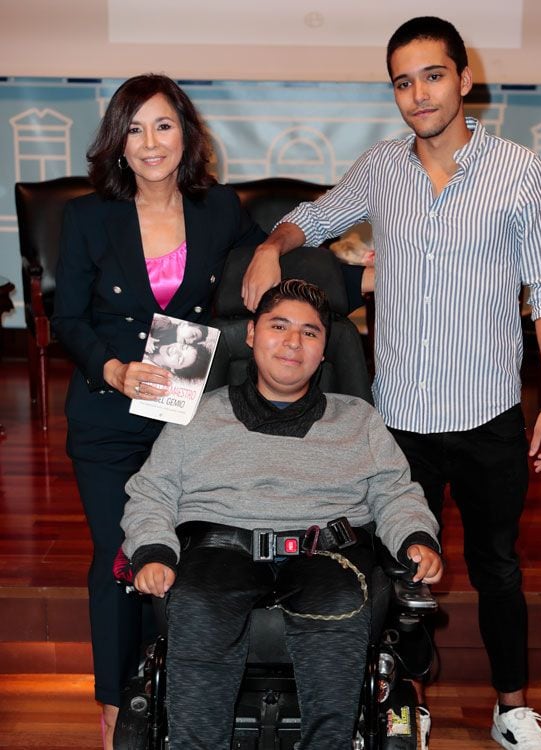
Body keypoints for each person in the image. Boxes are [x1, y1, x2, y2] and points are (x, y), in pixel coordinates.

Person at [240, 16, 541, 750]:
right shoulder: (383, 167)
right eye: (402, 81)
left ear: (464, 78)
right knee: (398, 571)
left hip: (488, 417)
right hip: (400, 422)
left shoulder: (519, 172)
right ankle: (406, 699)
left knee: (498, 569)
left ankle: (510, 707)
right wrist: (273, 244)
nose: (417, 94)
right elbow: (318, 217)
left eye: (431, 75)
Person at [120, 279, 443, 749]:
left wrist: (415, 535)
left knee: (339, 602)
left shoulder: (358, 419)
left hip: (327, 555)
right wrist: (152, 550)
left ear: (324, 349)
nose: (294, 342)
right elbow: (152, 493)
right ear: (251, 335)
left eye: (310, 333)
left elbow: (395, 493)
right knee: (199, 602)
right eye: (279, 326)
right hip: (219, 551)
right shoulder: (198, 417)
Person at [52, 73, 266, 747]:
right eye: (135, 128)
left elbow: (273, 263)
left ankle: (166, 686)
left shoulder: (219, 208)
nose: (151, 142)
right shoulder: (89, 217)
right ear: (118, 142)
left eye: (163, 125)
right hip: (109, 415)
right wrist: (113, 370)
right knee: (119, 554)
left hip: (188, 421)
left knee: (182, 556)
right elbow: (67, 319)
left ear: (187, 133)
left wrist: (361, 270)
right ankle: (117, 703)